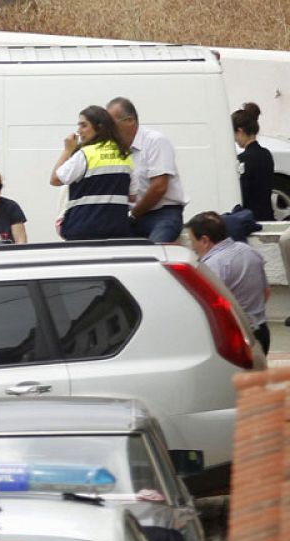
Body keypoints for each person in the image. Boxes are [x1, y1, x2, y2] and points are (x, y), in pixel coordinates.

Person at [186, 211, 269, 351]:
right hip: (262, 331)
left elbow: (208, 308)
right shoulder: (249, 251)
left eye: (192, 241)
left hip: (235, 337)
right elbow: (266, 292)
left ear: (205, 240)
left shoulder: (211, 266)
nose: (192, 247)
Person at [109, 97, 188, 243]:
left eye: (112, 124)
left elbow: (159, 187)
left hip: (162, 214)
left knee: (155, 255)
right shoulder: (116, 149)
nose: (109, 130)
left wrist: (132, 214)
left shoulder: (155, 141)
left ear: (130, 121)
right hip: (132, 215)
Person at [51, 105, 132, 241]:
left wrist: (67, 150)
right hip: (117, 231)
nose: (79, 131)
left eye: (84, 125)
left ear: (99, 127)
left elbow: (55, 179)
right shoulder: (125, 155)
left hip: (83, 229)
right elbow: (133, 195)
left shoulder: (85, 154)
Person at [234, 102, 274, 222]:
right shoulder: (266, 154)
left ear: (240, 131)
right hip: (267, 215)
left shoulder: (243, 159)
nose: (235, 139)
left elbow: (243, 194)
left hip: (251, 219)